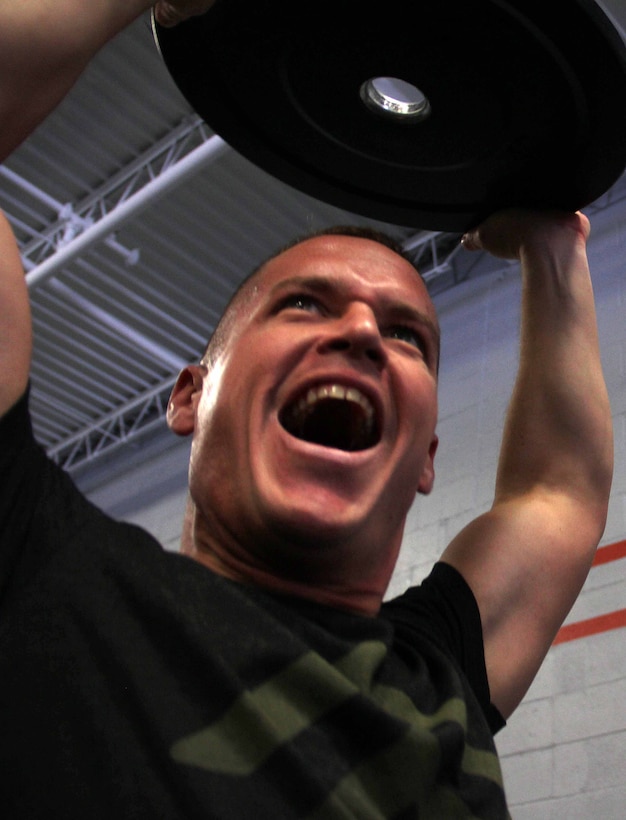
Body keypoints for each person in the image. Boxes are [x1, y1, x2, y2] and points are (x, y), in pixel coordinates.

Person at [0, 2, 614, 818]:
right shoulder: (39, 570)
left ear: (427, 456)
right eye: (303, 305)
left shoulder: (441, 678)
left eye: (406, 335)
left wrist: (550, 244)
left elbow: (560, 491)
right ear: (190, 395)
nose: (361, 331)